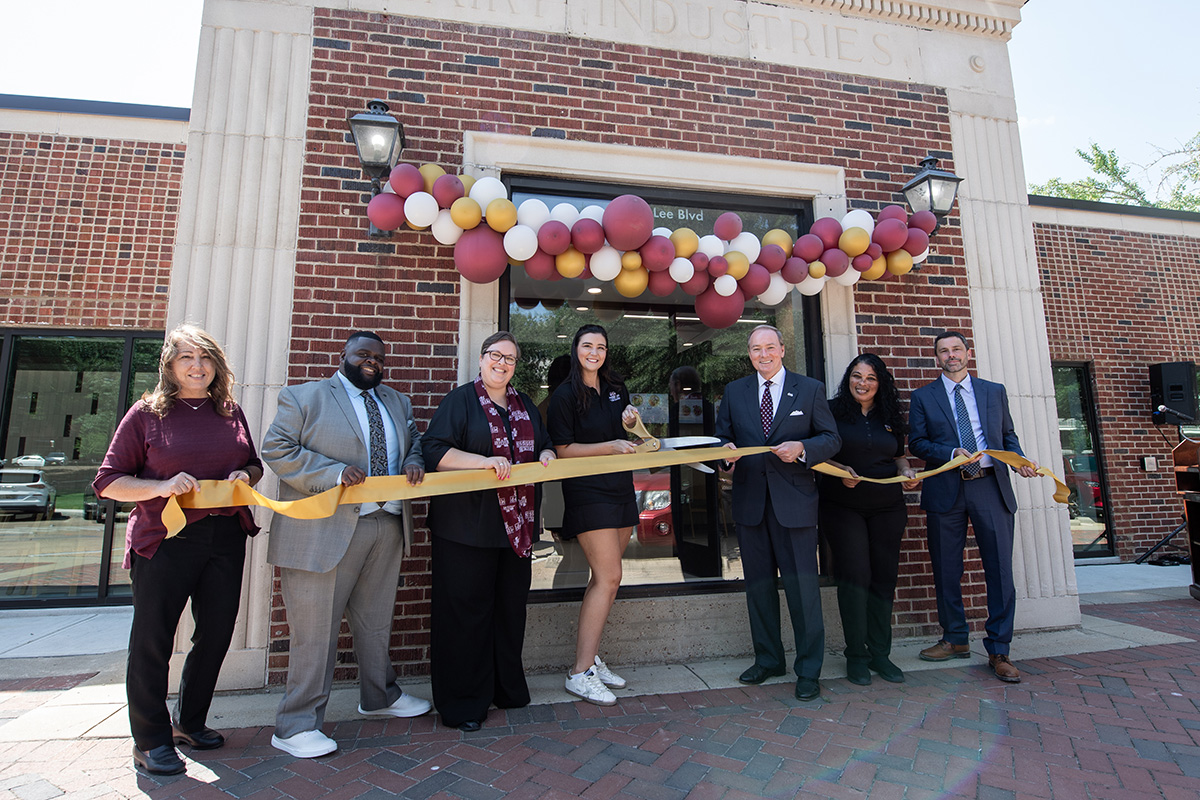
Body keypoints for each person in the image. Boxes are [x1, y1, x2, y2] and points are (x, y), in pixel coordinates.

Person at [94, 324, 263, 776]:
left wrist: (245, 476)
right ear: (170, 365)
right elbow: (108, 481)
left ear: (217, 365)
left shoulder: (229, 410)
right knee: (153, 640)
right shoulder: (147, 414)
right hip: (164, 540)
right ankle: (150, 740)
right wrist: (162, 485)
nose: (197, 366)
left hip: (224, 538)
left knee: (216, 632)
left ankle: (189, 721)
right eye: (187, 357)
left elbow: (253, 463)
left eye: (206, 358)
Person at [262, 331, 430, 759]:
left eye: (378, 356)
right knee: (314, 632)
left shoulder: (396, 401)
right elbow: (276, 449)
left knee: (375, 622)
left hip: (387, 523)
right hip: (323, 530)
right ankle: (295, 724)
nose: (372, 361)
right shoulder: (304, 397)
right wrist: (334, 472)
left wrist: (413, 461)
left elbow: (416, 443)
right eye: (363, 354)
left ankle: (380, 697)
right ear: (344, 356)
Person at [423, 332, 556, 731]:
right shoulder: (459, 401)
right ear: (481, 359)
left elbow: (545, 444)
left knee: (508, 611)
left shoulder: (525, 405)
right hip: (465, 528)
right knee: (466, 616)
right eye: (495, 356)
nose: (502, 363)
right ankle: (463, 704)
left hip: (514, 530)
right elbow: (433, 450)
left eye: (510, 359)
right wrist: (482, 461)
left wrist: (547, 454)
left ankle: (505, 688)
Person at [715, 324, 841, 702]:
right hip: (751, 505)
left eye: (770, 347)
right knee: (759, 588)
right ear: (749, 354)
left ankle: (808, 670)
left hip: (795, 507)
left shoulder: (810, 388)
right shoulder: (735, 392)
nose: (763, 355)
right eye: (756, 349)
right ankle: (769, 659)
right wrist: (726, 454)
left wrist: (802, 447)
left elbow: (831, 439)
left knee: (803, 592)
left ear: (783, 349)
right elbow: (722, 438)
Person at [908, 331, 1039, 683]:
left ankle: (999, 649)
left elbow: (1006, 435)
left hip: (989, 487)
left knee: (998, 570)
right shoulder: (923, 397)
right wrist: (950, 454)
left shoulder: (993, 391)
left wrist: (1018, 459)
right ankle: (954, 638)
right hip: (946, 489)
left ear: (968, 353)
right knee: (947, 569)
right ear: (936, 358)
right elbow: (917, 442)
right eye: (943, 351)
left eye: (956, 349)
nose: (950, 355)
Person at [546, 324, 639, 706]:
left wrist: (632, 424)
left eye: (601, 347)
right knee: (610, 576)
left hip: (620, 489)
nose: (594, 353)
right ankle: (579, 673)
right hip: (587, 492)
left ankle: (590, 659)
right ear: (576, 350)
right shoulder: (565, 394)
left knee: (604, 580)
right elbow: (564, 450)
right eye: (587, 346)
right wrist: (611, 446)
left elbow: (630, 436)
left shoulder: (617, 388)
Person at [818, 354, 920, 686]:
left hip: (888, 508)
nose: (863, 383)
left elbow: (898, 455)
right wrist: (839, 470)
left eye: (871, 378)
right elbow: (819, 452)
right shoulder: (832, 411)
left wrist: (906, 471)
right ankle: (856, 656)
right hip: (842, 505)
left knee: (883, 578)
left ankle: (880, 654)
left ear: (881, 383)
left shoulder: (890, 415)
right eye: (857, 376)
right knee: (855, 577)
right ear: (848, 379)